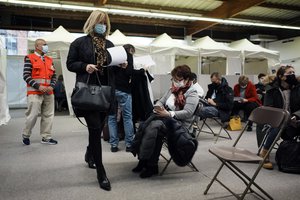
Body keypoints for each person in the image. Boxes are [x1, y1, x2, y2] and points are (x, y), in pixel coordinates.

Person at [66, 10, 118, 191]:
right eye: (99, 21)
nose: (102, 25)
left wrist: (122, 65)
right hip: (89, 93)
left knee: (97, 128)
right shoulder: (80, 43)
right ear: (92, 22)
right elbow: (70, 63)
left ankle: (90, 154)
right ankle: (101, 172)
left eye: (105, 22)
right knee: (95, 128)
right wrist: (84, 66)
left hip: (106, 93)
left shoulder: (110, 44)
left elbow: (114, 69)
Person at [131, 65, 199, 178]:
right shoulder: (172, 90)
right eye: (173, 79)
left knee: (153, 127)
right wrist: (158, 108)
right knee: (148, 126)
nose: (175, 82)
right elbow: (160, 101)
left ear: (186, 79)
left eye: (177, 79)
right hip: (166, 120)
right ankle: (147, 162)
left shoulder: (192, 93)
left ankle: (148, 163)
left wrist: (169, 114)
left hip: (180, 126)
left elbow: (188, 113)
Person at [258, 65, 300, 169]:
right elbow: (268, 109)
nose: (293, 75)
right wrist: (283, 117)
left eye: (293, 73)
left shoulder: (296, 88)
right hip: (275, 119)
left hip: (292, 120)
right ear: (281, 77)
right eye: (289, 73)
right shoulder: (272, 89)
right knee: (277, 126)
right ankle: (264, 153)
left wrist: (296, 115)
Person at [22, 39, 58, 145]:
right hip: (34, 92)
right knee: (32, 115)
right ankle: (26, 134)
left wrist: (52, 86)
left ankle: (46, 137)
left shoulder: (49, 59)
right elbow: (26, 75)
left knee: (48, 115)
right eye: (44, 45)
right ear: (37, 46)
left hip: (48, 92)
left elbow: (54, 76)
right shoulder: (30, 58)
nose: (46, 46)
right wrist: (38, 86)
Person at [107, 44, 134, 153]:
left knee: (111, 117)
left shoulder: (111, 55)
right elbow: (130, 73)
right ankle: (129, 144)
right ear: (130, 50)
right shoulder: (128, 56)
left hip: (111, 90)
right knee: (127, 117)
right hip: (124, 90)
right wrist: (127, 66)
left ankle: (113, 145)